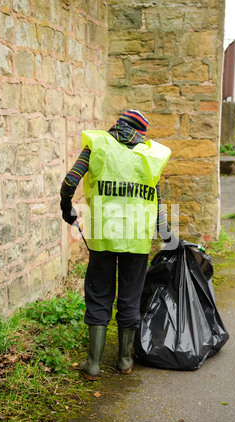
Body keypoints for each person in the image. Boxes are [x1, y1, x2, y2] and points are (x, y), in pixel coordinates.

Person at [60, 109, 177, 380]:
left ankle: (93, 365)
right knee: (130, 295)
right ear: (141, 133)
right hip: (137, 238)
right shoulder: (150, 155)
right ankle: (124, 361)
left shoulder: (97, 145)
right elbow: (155, 200)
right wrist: (167, 234)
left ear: (118, 126)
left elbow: (70, 182)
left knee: (99, 293)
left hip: (103, 234)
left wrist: (68, 209)